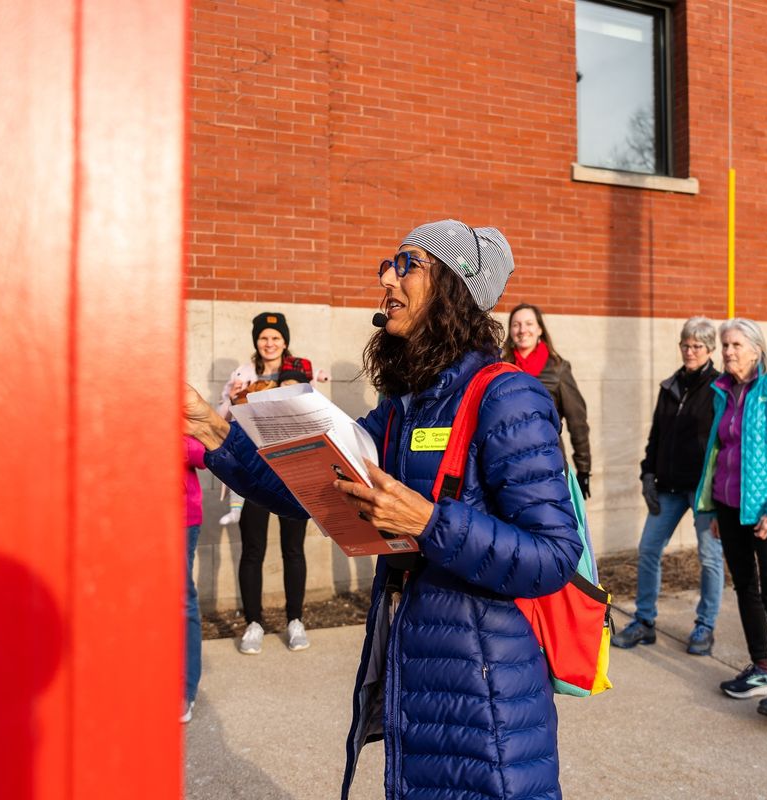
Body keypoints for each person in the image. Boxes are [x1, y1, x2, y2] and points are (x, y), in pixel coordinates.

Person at [184, 220, 581, 799]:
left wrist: (428, 523)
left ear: (454, 288)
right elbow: (311, 489)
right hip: (415, 685)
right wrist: (213, 430)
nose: (386, 279)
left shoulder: (507, 395)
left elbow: (553, 556)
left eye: (408, 265)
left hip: (486, 700)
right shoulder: (403, 408)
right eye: (387, 266)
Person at [694, 318, 767, 723]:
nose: (728, 352)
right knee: (745, 588)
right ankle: (761, 667)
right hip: (729, 509)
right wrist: (712, 508)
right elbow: (718, 454)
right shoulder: (723, 392)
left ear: (756, 350)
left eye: (736, 345)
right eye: (725, 345)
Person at [612, 317, 723, 656]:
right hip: (668, 487)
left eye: (697, 346)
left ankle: (705, 626)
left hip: (703, 490)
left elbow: (725, 443)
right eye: (686, 345)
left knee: (709, 557)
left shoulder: (720, 389)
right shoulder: (670, 386)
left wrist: (720, 491)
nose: (690, 351)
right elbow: (656, 436)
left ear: (710, 350)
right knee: (648, 549)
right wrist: (648, 474)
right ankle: (644, 622)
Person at [216, 311, 316, 655]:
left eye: (275, 337)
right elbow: (219, 421)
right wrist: (231, 399)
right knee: (253, 549)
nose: (269, 343)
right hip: (252, 470)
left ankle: (295, 621)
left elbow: (311, 416)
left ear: (285, 341)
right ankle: (253, 624)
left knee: (293, 548)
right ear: (256, 342)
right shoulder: (242, 375)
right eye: (263, 338)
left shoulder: (299, 372)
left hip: (291, 470)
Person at [503, 303, 592, 498]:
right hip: (508, 461)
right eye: (516, 325)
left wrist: (584, 469)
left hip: (548, 461)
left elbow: (578, 422)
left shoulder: (558, 369)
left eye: (529, 323)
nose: (522, 330)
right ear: (510, 331)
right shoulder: (501, 368)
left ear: (539, 329)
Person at [182, 435, 206, 723]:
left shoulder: (180, 404)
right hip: (132, 514)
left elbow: (202, 454)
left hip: (180, 519)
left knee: (180, 601)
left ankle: (184, 689)